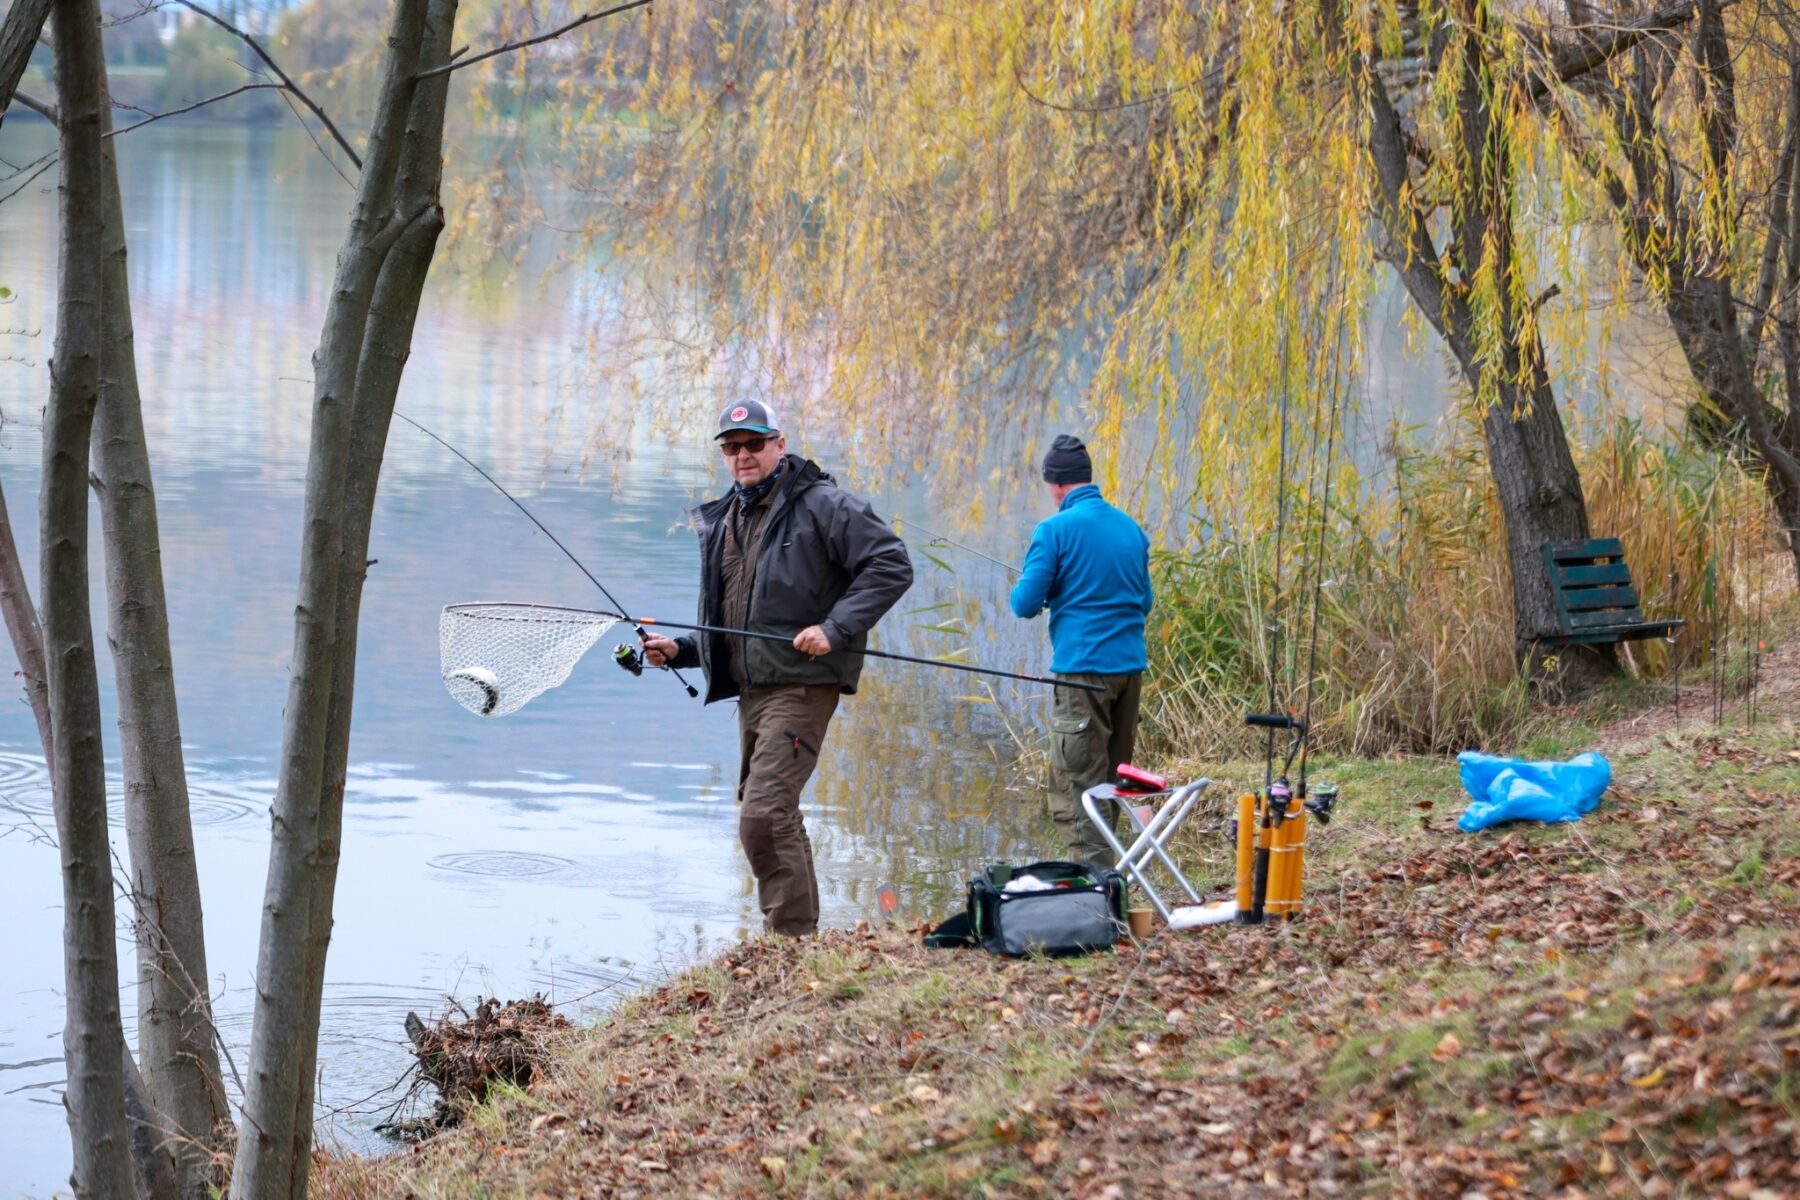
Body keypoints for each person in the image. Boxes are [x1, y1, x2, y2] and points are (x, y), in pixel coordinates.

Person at [640, 400, 913, 936]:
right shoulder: (727, 517)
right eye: (732, 447)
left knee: (762, 816)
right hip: (753, 691)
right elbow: (737, 617)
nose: (743, 455)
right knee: (774, 814)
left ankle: (788, 943)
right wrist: (683, 650)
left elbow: (891, 564)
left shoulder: (825, 506)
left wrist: (834, 629)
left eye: (754, 444)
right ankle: (797, 942)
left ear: (779, 445)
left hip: (804, 685)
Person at [1008, 434, 1154, 867]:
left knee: (1079, 787)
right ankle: (1115, 879)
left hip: (1082, 675)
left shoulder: (1054, 530)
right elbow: (1143, 602)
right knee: (1110, 782)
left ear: (1055, 485)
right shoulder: (1130, 528)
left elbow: (1023, 603)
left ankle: (1095, 894)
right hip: (1129, 673)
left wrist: (1051, 593)